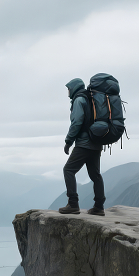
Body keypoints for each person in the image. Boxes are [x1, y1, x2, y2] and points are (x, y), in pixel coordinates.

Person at [59, 77, 105, 216]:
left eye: (68, 89)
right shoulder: (91, 99)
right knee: (95, 175)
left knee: (68, 170)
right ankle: (99, 207)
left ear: (74, 88)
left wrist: (68, 141)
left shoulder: (79, 100)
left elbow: (77, 122)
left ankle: (73, 204)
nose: (68, 92)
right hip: (96, 143)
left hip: (84, 144)